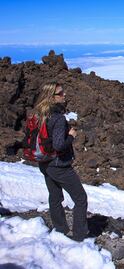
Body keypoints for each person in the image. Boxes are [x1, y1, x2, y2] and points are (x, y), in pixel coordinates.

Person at [34, 82, 89, 241]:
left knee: (55, 197)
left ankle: (60, 230)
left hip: (44, 162)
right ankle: (79, 236)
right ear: (51, 97)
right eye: (60, 93)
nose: (64, 95)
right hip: (59, 165)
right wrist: (71, 135)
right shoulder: (57, 118)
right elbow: (59, 144)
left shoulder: (39, 114)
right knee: (80, 198)